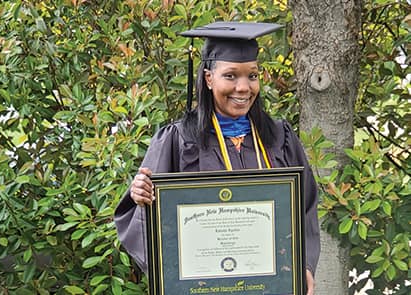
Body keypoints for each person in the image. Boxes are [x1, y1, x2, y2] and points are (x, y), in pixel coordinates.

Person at [114, 21, 320, 295]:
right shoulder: (178, 140)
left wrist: (304, 265)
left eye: (252, 76)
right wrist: (142, 199)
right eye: (231, 76)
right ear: (209, 78)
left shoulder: (279, 138)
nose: (244, 87)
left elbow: (305, 207)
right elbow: (148, 218)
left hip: (271, 287)